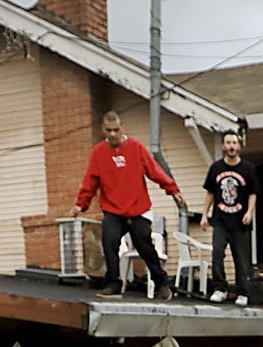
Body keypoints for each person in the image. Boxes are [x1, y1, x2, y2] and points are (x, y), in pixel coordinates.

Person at [72, 111, 187, 300]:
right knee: (109, 241)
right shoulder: (99, 153)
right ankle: (113, 284)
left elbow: (155, 171)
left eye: (116, 130)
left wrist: (173, 190)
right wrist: (80, 205)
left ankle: (162, 283)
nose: (112, 134)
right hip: (113, 210)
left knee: (145, 245)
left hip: (138, 209)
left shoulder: (136, 148)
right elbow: (90, 182)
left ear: (122, 128)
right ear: (103, 130)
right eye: (108, 130)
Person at [201, 129, 258, 303]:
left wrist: (249, 212)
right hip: (220, 220)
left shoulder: (248, 169)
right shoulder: (216, 168)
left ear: (239, 146)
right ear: (223, 146)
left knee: (240, 258)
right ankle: (220, 288)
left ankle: (243, 292)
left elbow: (253, 193)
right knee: (217, 252)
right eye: (228, 143)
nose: (231, 146)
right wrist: (204, 214)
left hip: (240, 221)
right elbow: (210, 192)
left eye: (234, 143)